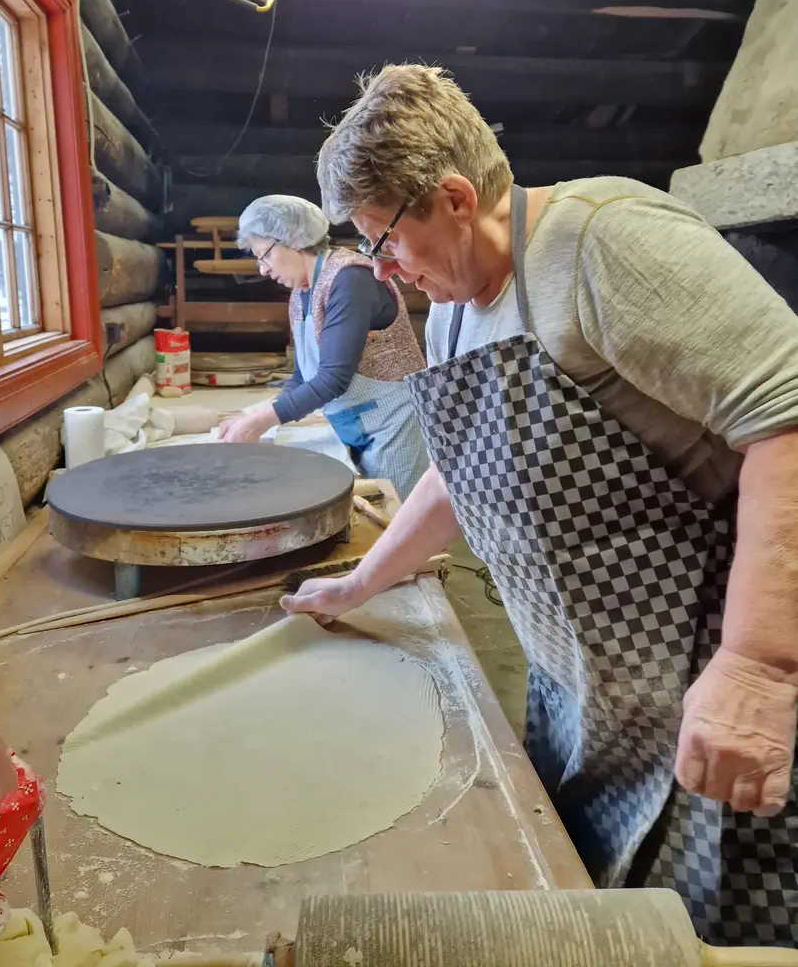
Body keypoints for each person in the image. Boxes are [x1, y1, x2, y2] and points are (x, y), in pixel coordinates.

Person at [282, 65, 798, 948]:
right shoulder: (455, 307)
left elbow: (787, 416)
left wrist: (759, 665)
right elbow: (457, 472)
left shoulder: (601, 243)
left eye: (386, 242)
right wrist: (359, 584)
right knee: (598, 902)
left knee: (703, 930)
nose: (387, 271)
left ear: (451, 197)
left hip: (700, 681)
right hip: (587, 688)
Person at [217, 194, 429, 500]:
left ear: (291, 238)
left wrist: (263, 420)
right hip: (355, 428)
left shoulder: (350, 278)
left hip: (395, 428)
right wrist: (255, 416)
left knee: (399, 526)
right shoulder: (301, 291)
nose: (261, 269)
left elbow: (333, 378)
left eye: (263, 255)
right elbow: (302, 377)